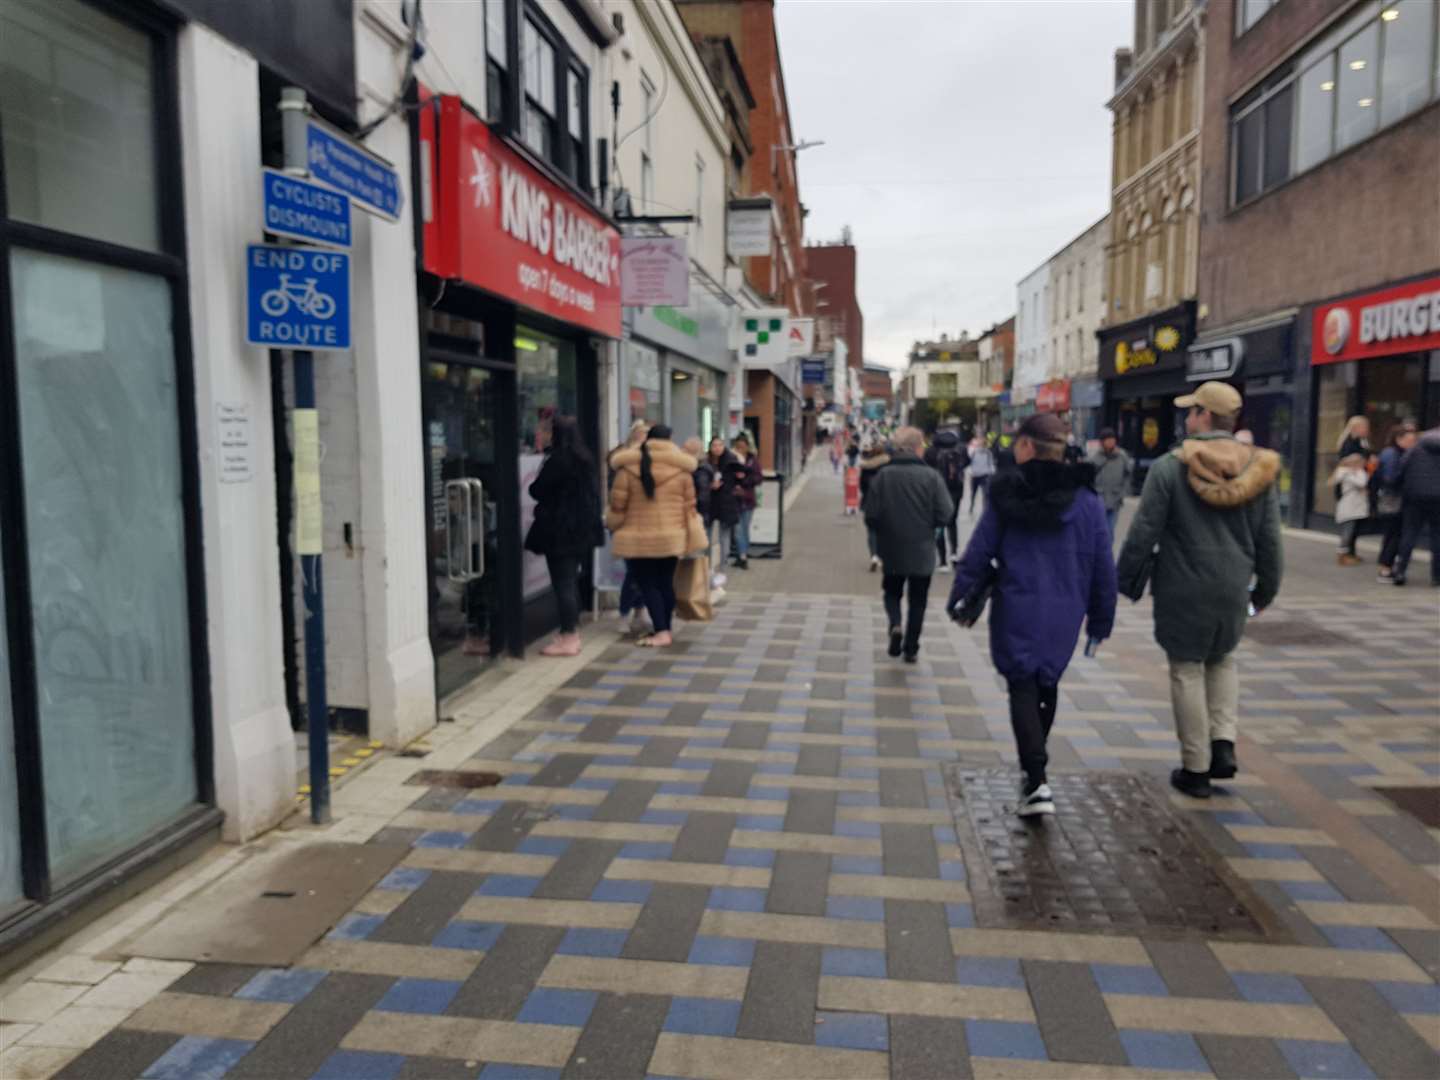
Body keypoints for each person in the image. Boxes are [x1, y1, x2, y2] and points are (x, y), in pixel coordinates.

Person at [1116, 382, 1283, 799]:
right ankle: (1223, 743)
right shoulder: (1259, 469)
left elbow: (1143, 532)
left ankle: (1195, 766)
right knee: (1223, 658)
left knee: (1187, 668)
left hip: (1181, 585)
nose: (1187, 419)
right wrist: (1264, 591)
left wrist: (1123, 578)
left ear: (1205, 417)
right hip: (1232, 587)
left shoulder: (1170, 468)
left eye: (1192, 412)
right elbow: (1270, 540)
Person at [948, 413, 1116, 817]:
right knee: (1046, 681)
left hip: (1017, 606)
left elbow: (979, 551)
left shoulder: (1007, 496)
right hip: (1065, 611)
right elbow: (1102, 567)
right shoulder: (1088, 503)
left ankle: (1036, 779)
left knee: (1022, 683)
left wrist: (959, 597)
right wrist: (1100, 621)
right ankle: (1035, 772)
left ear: (1026, 446)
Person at [864, 427, 954, 663]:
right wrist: (930, 525)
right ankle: (911, 647)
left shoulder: (883, 476)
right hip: (923, 549)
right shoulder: (932, 477)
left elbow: (871, 515)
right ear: (917, 448)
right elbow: (946, 513)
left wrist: (883, 530)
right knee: (918, 599)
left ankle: (895, 624)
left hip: (892, 548)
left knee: (892, 592)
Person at [607, 425, 698, 647]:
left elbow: (617, 505)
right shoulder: (682, 469)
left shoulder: (628, 468)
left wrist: (614, 525)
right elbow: (690, 507)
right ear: (670, 441)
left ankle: (661, 631)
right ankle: (665, 627)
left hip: (638, 538)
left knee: (647, 584)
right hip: (671, 536)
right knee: (665, 583)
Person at [526, 416, 603, 657]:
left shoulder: (558, 461)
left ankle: (569, 637)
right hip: (580, 531)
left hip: (560, 531)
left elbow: (536, 489)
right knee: (570, 580)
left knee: (563, 584)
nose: (542, 434)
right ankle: (571, 631)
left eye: (546, 431)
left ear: (556, 434)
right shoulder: (584, 459)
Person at [609, 420, 652, 635]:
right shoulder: (622, 463)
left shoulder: (654, 462)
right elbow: (617, 500)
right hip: (629, 526)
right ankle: (625, 613)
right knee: (633, 572)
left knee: (645, 572)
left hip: (650, 526)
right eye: (640, 435)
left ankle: (639, 611)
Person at [1390, 423, 1440, 587]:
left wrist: (1398, 488)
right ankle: (1436, 576)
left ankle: (1400, 572)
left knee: (1409, 534)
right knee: (1437, 537)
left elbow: (1401, 470)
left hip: (1414, 497)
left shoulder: (1415, 448)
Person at [1376, 421, 1418, 582]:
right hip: (1393, 500)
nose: (1412, 444)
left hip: (1395, 500)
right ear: (1399, 439)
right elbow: (1390, 479)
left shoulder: (1395, 453)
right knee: (1393, 535)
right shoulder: (1392, 454)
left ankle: (1387, 566)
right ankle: (1385, 569)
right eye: (1410, 440)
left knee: (1394, 534)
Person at [924, 427, 970, 567]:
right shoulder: (961, 448)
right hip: (956, 489)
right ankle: (954, 554)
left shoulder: (931, 450)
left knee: (939, 524)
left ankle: (942, 560)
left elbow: (925, 467)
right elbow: (968, 462)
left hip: (938, 489)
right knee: (952, 522)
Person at [705, 436, 741, 586]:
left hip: (726, 504)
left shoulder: (731, 460)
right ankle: (706, 567)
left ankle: (722, 568)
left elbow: (739, 479)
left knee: (723, 537)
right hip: (709, 503)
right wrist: (709, 486)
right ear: (710, 447)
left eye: (720, 445)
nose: (717, 448)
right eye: (714, 445)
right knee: (706, 537)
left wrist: (730, 482)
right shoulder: (706, 461)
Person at [1089, 427, 1134, 540]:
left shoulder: (1122, 456)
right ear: (1102, 442)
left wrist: (1123, 492)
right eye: (1107, 439)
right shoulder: (1095, 457)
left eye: (1112, 439)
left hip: (1115, 499)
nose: (1110, 442)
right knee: (1098, 531)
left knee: (1109, 531)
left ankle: (1107, 555)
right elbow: (1088, 477)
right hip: (1099, 498)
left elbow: (1128, 474)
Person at [1329, 453, 1369, 567]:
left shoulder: (1359, 472)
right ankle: (1342, 556)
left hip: (1356, 506)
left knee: (1352, 531)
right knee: (1347, 531)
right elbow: (1361, 483)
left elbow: (1363, 481)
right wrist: (1349, 474)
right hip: (1349, 506)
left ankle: (1348, 554)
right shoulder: (1345, 472)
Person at [858, 440, 891, 571]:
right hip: (886, 502)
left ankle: (873, 556)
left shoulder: (866, 467)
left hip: (869, 502)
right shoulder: (889, 465)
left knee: (871, 530)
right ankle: (882, 556)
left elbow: (862, 486)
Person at [730, 434, 762, 569]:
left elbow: (759, 478)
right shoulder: (731, 460)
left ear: (747, 447)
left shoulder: (752, 461)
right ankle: (742, 556)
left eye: (742, 447)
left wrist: (744, 479)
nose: (740, 449)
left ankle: (742, 555)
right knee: (738, 530)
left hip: (747, 500)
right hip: (734, 500)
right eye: (738, 447)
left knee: (744, 529)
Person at [968, 436, 995, 516]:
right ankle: (972, 507)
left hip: (984, 475)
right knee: (974, 493)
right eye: (981, 444)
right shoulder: (974, 452)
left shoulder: (988, 453)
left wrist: (991, 473)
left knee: (985, 494)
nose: (982, 445)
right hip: (976, 475)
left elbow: (991, 464)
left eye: (983, 444)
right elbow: (970, 463)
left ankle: (984, 510)